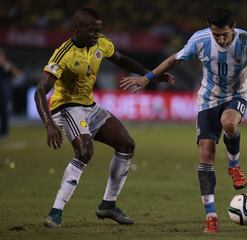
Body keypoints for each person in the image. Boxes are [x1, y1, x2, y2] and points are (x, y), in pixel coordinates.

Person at [120, 7, 247, 233]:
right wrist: (148, 77)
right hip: (207, 99)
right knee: (206, 154)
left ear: (233, 27)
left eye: (224, 34)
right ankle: (210, 216)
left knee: (229, 122)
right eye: (216, 34)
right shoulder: (200, 40)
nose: (220, 39)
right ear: (210, 29)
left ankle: (234, 166)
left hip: (237, 94)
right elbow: (175, 59)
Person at [34, 8, 174, 228]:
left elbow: (122, 59)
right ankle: (56, 211)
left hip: (89, 106)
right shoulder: (64, 54)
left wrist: (151, 75)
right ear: (77, 29)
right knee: (85, 150)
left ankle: (108, 205)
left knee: (126, 144)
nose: (96, 34)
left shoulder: (101, 43)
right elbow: (40, 90)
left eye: (98, 30)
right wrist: (49, 124)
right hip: (66, 107)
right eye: (91, 30)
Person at [0, 48, 22, 140]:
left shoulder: (7, 65)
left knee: (5, 113)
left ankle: (4, 133)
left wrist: (6, 66)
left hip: (5, 94)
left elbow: (18, 74)